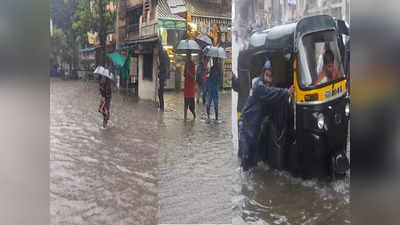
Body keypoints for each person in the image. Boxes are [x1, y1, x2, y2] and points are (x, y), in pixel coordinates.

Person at [239, 60, 294, 170]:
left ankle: (250, 184)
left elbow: (273, 100)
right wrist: (286, 92)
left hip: (254, 128)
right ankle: (243, 184)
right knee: (245, 160)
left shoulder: (265, 88)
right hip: (246, 126)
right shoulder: (259, 86)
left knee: (253, 162)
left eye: (270, 76)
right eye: (266, 75)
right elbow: (269, 93)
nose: (269, 79)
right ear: (262, 74)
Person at [184, 53, 196, 121]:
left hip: (191, 89)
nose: (187, 58)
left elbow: (194, 77)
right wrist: (186, 71)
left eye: (188, 56)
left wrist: (189, 73)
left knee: (191, 106)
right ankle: (185, 118)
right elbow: (184, 75)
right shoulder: (186, 64)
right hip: (186, 88)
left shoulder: (193, 65)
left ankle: (194, 115)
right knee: (185, 104)